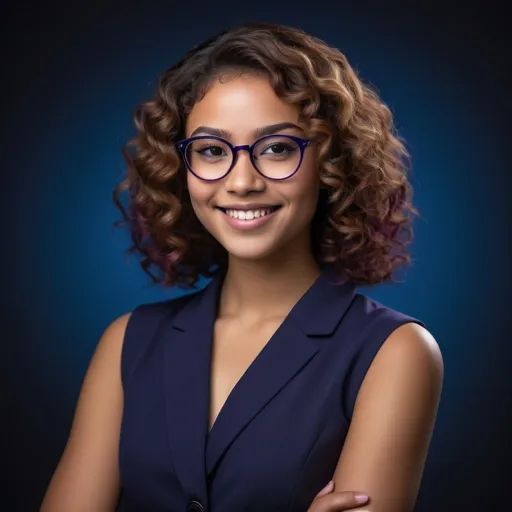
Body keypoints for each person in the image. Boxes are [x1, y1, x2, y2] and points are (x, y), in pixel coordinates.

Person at [41, 22, 443, 512]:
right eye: (211, 151)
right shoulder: (127, 343)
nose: (242, 181)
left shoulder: (395, 352)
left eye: (276, 148)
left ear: (331, 162)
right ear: (181, 167)